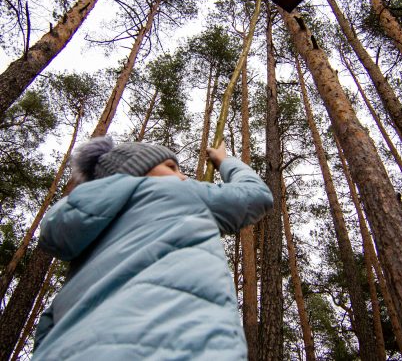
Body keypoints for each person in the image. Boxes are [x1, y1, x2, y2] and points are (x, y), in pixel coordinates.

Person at [32, 136, 273, 360]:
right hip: (182, 344)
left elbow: (47, 329)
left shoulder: (83, 246)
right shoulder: (170, 191)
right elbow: (256, 195)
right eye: (171, 167)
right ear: (136, 171)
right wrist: (224, 160)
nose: (184, 177)